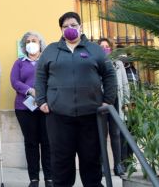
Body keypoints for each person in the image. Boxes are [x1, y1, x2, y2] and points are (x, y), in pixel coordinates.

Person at [35, 12, 117, 187]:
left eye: (73, 25)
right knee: (61, 161)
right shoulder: (51, 50)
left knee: (91, 159)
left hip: (90, 116)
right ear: (61, 30)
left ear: (80, 27)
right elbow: (40, 75)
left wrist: (108, 100)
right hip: (59, 116)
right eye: (65, 26)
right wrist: (41, 101)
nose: (70, 29)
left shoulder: (94, 50)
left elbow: (109, 74)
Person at [10, 32, 51, 187]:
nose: (31, 43)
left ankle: (49, 178)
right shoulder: (19, 62)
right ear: (24, 45)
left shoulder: (47, 61)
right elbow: (14, 81)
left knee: (47, 142)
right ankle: (33, 179)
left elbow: (53, 79)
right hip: (24, 107)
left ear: (40, 43)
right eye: (28, 41)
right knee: (31, 142)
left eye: (34, 40)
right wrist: (29, 90)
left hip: (46, 106)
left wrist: (42, 92)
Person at [98, 38, 129, 176]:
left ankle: (118, 165)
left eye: (107, 46)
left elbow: (125, 83)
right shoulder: (95, 62)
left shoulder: (118, 63)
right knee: (102, 134)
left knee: (116, 133)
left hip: (116, 101)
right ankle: (103, 165)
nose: (105, 48)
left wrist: (127, 103)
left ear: (111, 48)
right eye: (102, 46)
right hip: (100, 102)